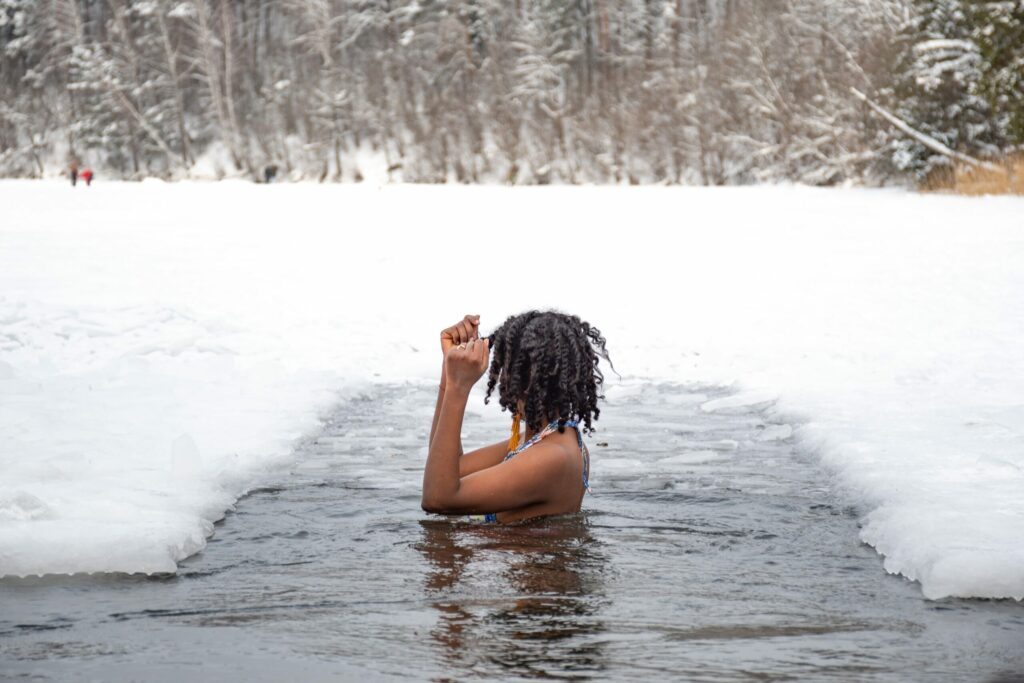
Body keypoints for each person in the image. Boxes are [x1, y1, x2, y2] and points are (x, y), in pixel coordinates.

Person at [422, 311, 612, 523]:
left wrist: (459, 387)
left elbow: (438, 499)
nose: (503, 381)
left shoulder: (551, 457)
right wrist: (449, 374)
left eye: (507, 368)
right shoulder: (543, 441)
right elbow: (448, 471)